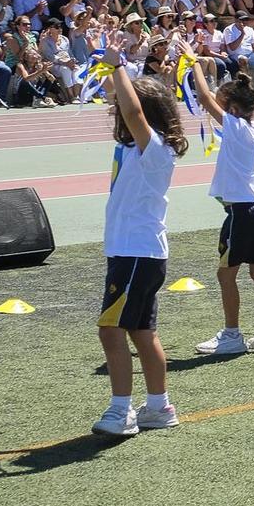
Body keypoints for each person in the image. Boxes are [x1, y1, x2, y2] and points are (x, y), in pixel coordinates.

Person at [92, 31, 189, 437]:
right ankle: (158, 406)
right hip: (136, 253)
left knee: (110, 330)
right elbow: (129, 108)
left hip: (136, 254)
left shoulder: (155, 150)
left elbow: (134, 113)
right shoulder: (138, 150)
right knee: (141, 332)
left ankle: (120, 411)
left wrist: (118, 66)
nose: (117, 111)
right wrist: (120, 69)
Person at [178, 49, 254, 356]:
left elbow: (205, 97)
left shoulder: (235, 127)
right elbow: (214, 98)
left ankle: (232, 334)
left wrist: (195, 63)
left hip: (242, 212)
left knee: (226, 274)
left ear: (234, 109)